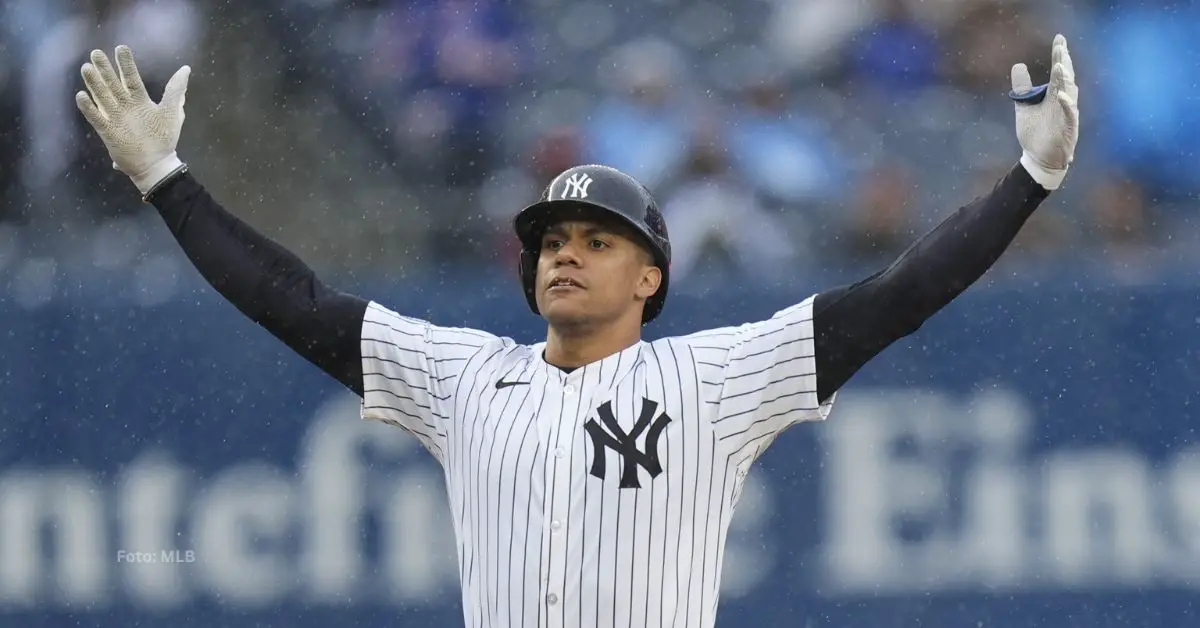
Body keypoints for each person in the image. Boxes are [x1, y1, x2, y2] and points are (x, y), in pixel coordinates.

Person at [74, 36, 1079, 628]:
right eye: (553, 236)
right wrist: (166, 181)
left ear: (650, 275)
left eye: (597, 239)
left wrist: (1027, 184)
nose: (565, 250)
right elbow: (292, 299)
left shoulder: (714, 379)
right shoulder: (465, 375)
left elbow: (894, 296)